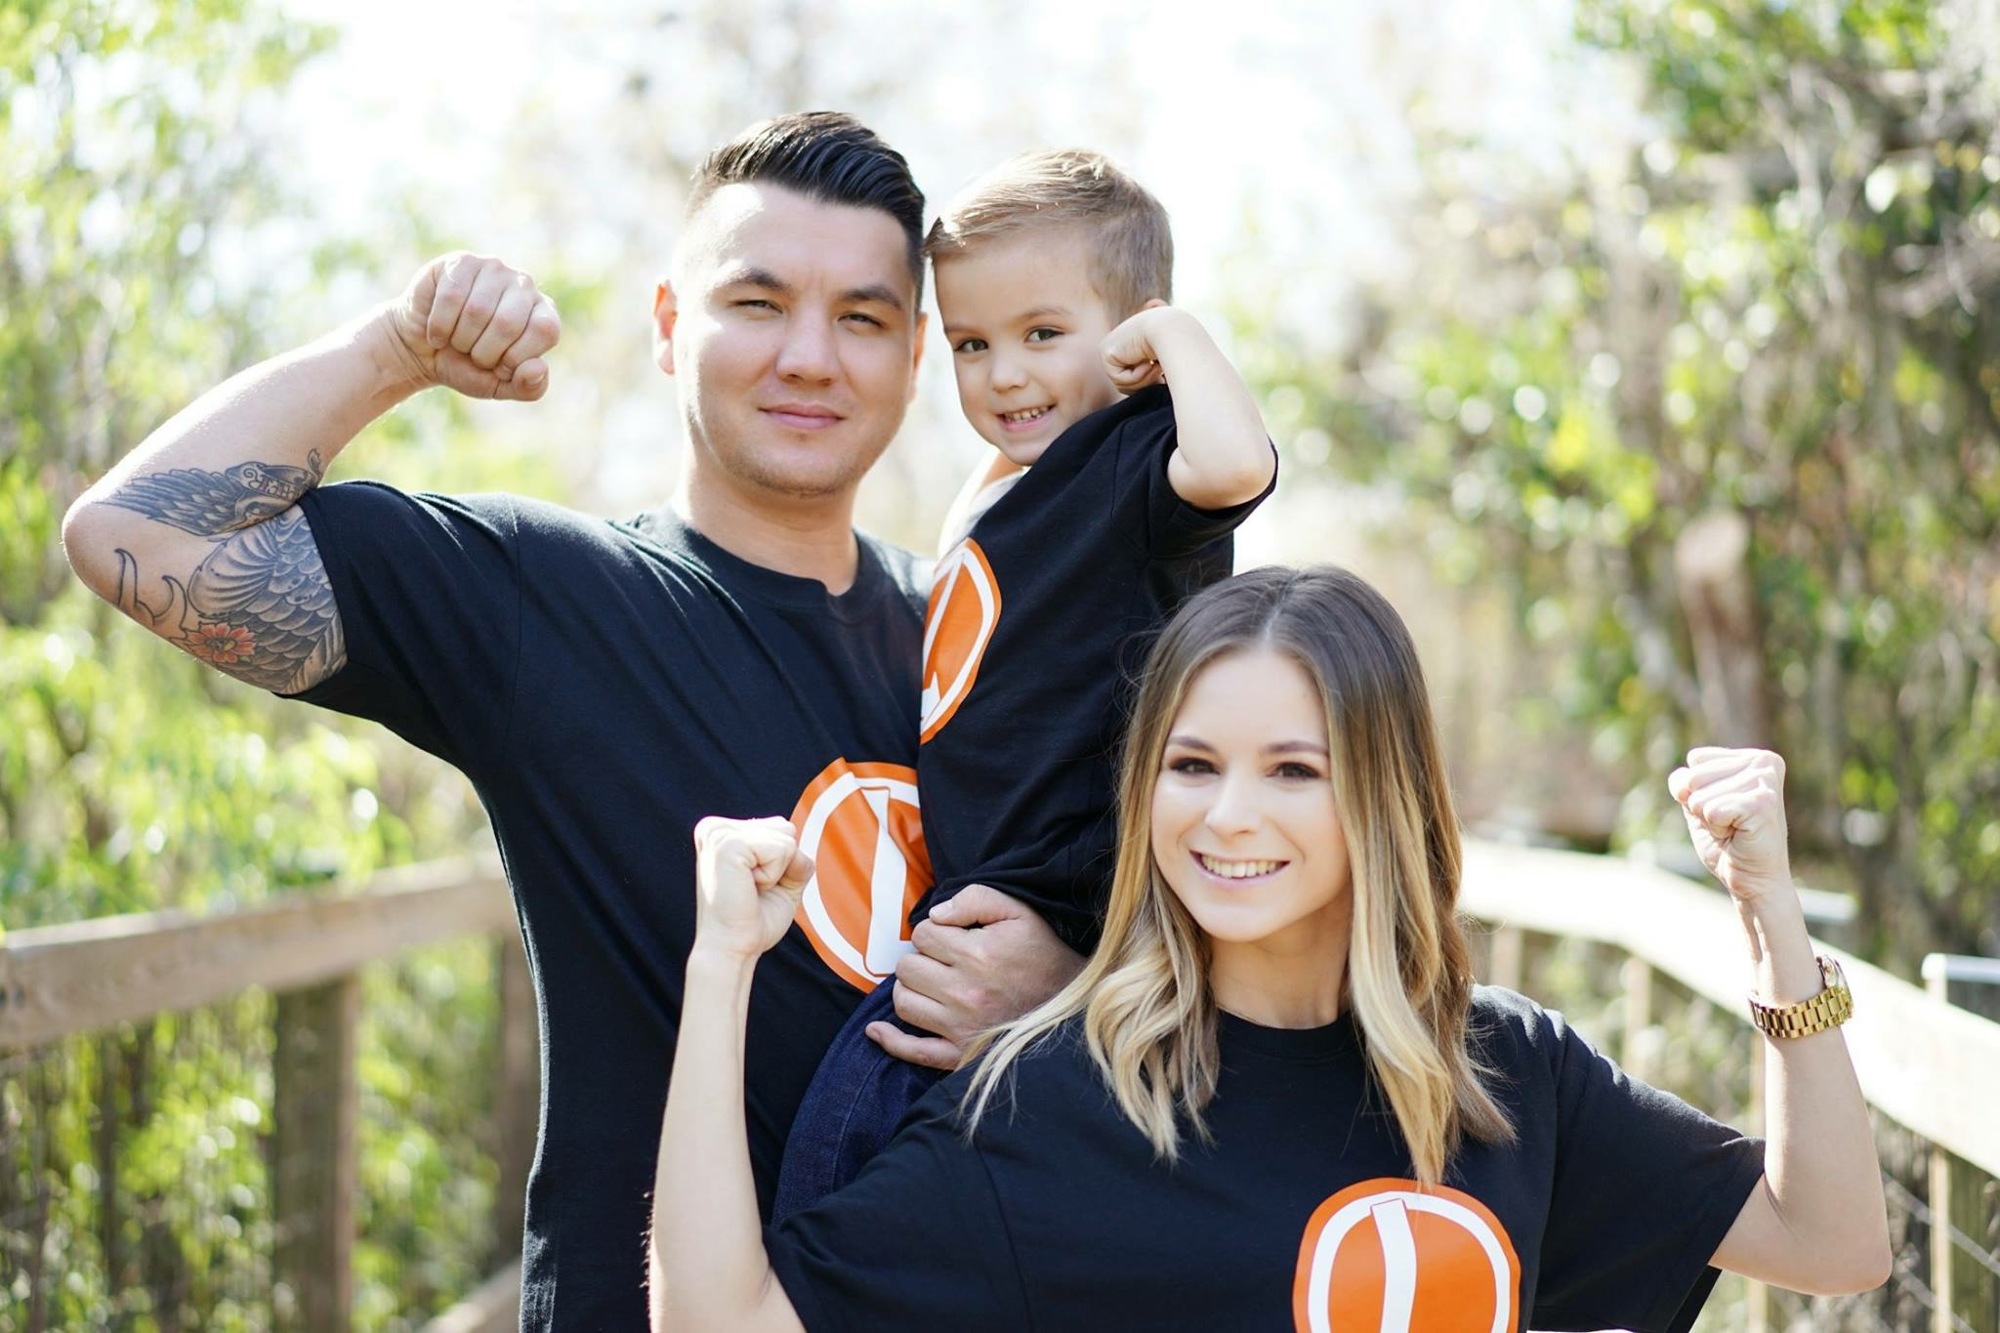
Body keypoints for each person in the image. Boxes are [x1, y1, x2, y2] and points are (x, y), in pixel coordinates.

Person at [60, 112, 1085, 1330]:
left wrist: (1066, 984)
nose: (810, 357)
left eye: (861, 318)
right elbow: (134, 537)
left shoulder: (981, 639)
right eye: (755, 304)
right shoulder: (541, 597)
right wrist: (395, 347)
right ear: (669, 327)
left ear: (914, 356)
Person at [651, 565, 1891, 1332]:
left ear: (1379, 795)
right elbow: (724, 1323)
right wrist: (720, 969)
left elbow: (1830, 1242)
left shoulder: (1501, 1074)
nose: (1226, 814)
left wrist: (1767, 914)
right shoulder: (1052, 1101)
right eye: (1190, 766)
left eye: (1292, 770)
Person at [774, 148, 1277, 1216]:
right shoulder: (1030, 485)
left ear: (1132, 335)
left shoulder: (1138, 460)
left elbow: (1236, 469)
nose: (1003, 375)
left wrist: (1172, 339)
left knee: (840, 1151)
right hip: (990, 888)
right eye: (970, 344)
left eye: (1042, 335)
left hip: (1053, 886)